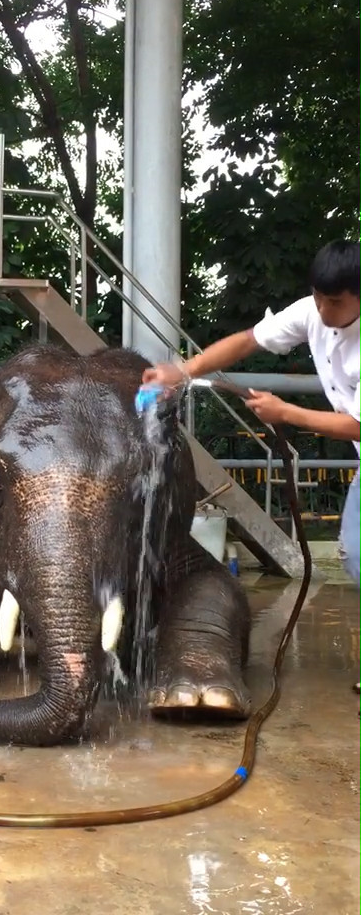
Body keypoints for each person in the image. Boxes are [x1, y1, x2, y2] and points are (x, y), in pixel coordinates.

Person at [143, 239, 360, 688]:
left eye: (334, 302)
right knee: (356, 553)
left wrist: (288, 414)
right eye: (318, 297)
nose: (321, 310)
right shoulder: (310, 311)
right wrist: (183, 371)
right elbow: (247, 342)